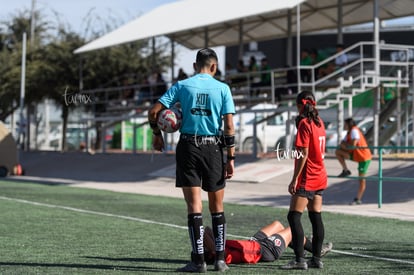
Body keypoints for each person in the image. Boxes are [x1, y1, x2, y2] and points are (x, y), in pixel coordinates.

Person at [148, 48, 236, 273]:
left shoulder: (182, 85)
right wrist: (231, 157)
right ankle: (220, 259)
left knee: (194, 206)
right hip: (213, 148)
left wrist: (157, 135)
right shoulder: (223, 88)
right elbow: (228, 127)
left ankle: (198, 262)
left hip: (188, 147)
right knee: (217, 207)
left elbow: (154, 111)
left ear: (196, 66)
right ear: (214, 67)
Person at [282, 91, 328, 270]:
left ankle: (300, 260)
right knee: (315, 216)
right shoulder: (319, 122)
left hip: (308, 177)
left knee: (293, 216)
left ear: (300, 105)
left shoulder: (304, 123)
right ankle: (316, 259)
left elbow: (303, 154)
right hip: (320, 175)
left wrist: (294, 179)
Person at [203, 220, 333, 265]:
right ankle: (317, 250)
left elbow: (208, 229)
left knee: (277, 224)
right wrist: (198, 228)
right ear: (209, 252)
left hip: (253, 243)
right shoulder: (217, 253)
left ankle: (300, 245)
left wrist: (200, 231)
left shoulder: (215, 250)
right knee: (293, 230)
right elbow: (207, 234)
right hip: (263, 251)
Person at [335, 118, 372, 205]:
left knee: (361, 179)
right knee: (338, 152)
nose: (344, 126)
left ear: (349, 124)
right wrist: (343, 145)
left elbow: (353, 146)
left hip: (363, 157)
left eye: (345, 124)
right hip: (356, 155)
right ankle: (345, 170)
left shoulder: (354, 131)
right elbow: (343, 143)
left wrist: (343, 145)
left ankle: (358, 199)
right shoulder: (349, 132)